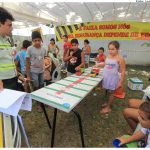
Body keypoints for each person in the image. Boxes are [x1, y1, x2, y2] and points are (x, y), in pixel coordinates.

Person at [95, 41, 126, 114]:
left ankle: (108, 108)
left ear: (117, 49)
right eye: (109, 49)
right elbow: (106, 64)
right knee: (109, 91)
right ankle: (108, 103)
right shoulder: (108, 56)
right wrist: (98, 64)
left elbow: (123, 71)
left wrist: (120, 82)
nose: (110, 51)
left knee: (112, 93)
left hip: (113, 79)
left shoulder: (120, 58)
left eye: (113, 49)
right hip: (106, 77)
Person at [0, 7, 18, 91]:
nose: (12, 28)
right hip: (3, 82)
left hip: (13, 79)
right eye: (9, 25)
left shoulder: (6, 40)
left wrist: (17, 73)